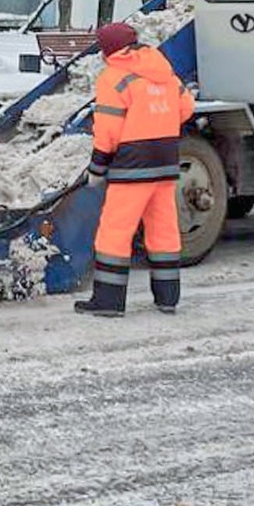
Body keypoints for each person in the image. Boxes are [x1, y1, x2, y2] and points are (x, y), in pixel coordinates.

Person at [75, 22, 196, 317]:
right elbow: (186, 108)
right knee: (164, 231)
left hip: (132, 167)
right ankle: (168, 298)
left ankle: (108, 301)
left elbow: (108, 131)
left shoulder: (113, 78)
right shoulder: (164, 70)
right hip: (165, 162)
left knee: (115, 231)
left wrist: (97, 167)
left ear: (108, 50)